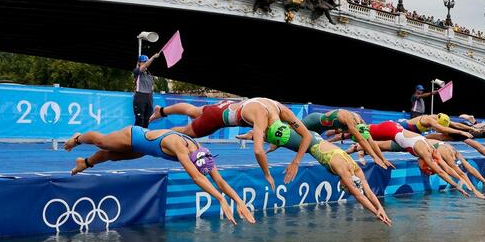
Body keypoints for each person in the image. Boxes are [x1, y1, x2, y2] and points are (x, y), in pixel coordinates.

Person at [63, 126, 255, 225]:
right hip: (133, 135)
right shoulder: (179, 146)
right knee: (103, 143)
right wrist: (220, 200)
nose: (196, 169)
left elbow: (218, 180)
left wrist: (238, 201)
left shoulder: (202, 152)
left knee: (112, 157)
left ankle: (84, 163)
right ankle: (77, 138)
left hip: (143, 149)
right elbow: (197, 178)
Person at [242, 123, 392, 226]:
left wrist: (380, 208)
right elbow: (360, 196)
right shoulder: (343, 170)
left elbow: (368, 192)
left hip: (316, 139)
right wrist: (376, 213)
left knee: (280, 135)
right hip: (310, 142)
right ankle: (252, 132)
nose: (341, 187)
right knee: (278, 135)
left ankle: (258, 134)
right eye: (344, 188)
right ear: (348, 183)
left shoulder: (356, 169)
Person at [148, 97, 314, 189]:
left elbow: (306, 136)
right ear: (268, 129)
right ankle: (152, 135)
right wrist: (267, 174)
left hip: (224, 106)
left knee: (194, 111)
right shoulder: (261, 119)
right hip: (216, 119)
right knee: (185, 132)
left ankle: (161, 111)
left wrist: (296, 161)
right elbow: (258, 151)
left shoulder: (281, 110)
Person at [133, 52, 159, 128]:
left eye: (146, 61)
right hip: (140, 96)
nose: (145, 63)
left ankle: (144, 137)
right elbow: (144, 66)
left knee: (147, 120)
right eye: (143, 62)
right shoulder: (137, 71)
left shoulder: (150, 74)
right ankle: (136, 137)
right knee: (139, 119)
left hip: (149, 97)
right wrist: (153, 57)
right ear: (139, 63)